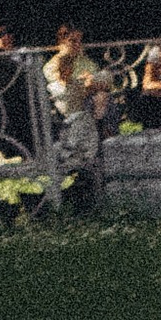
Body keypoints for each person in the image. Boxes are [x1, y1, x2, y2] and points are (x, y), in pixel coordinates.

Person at [44, 22, 111, 210]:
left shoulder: (85, 61)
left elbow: (100, 79)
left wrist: (91, 84)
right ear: (61, 42)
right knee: (101, 97)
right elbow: (62, 88)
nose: (76, 45)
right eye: (72, 40)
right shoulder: (53, 65)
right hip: (69, 108)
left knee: (103, 96)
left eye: (79, 41)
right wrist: (88, 85)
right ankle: (102, 131)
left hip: (91, 103)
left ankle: (99, 128)